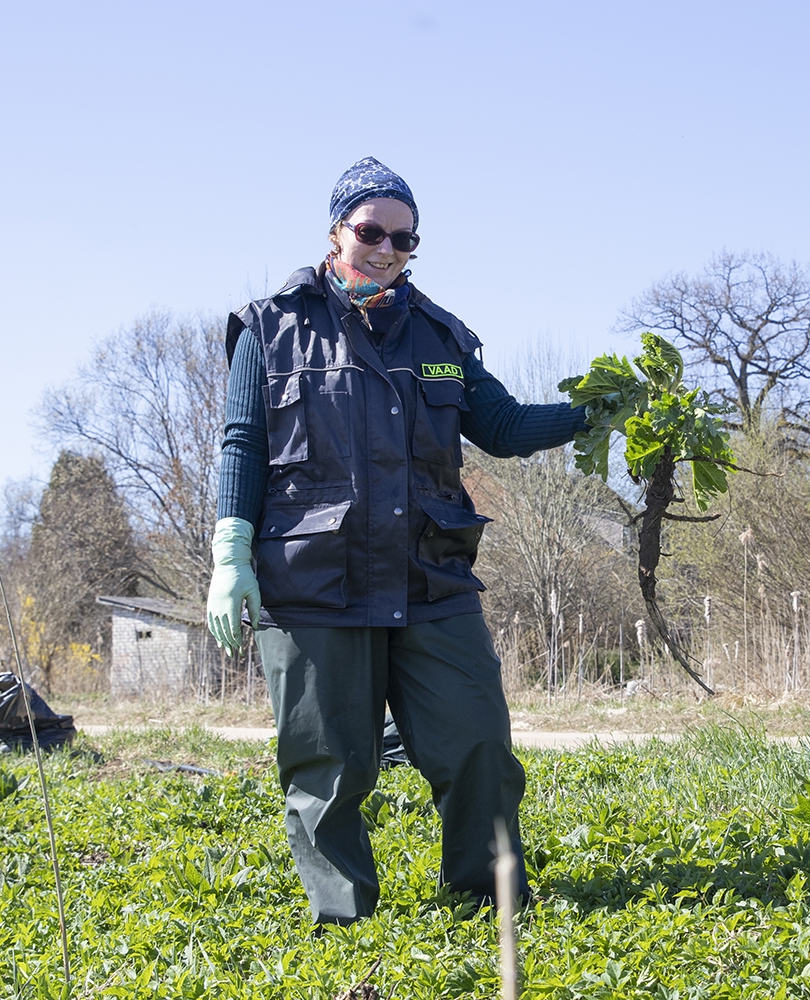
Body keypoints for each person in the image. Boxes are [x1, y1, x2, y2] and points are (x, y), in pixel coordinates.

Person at [206, 156, 587, 926]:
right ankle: (343, 916)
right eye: (370, 231)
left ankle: (487, 899)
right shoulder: (270, 326)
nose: (384, 248)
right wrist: (230, 554)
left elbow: (505, 428)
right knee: (328, 765)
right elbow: (242, 443)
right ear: (336, 231)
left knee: (477, 740)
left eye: (403, 239)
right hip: (314, 579)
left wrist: (596, 410)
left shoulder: (439, 333)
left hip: (429, 578)